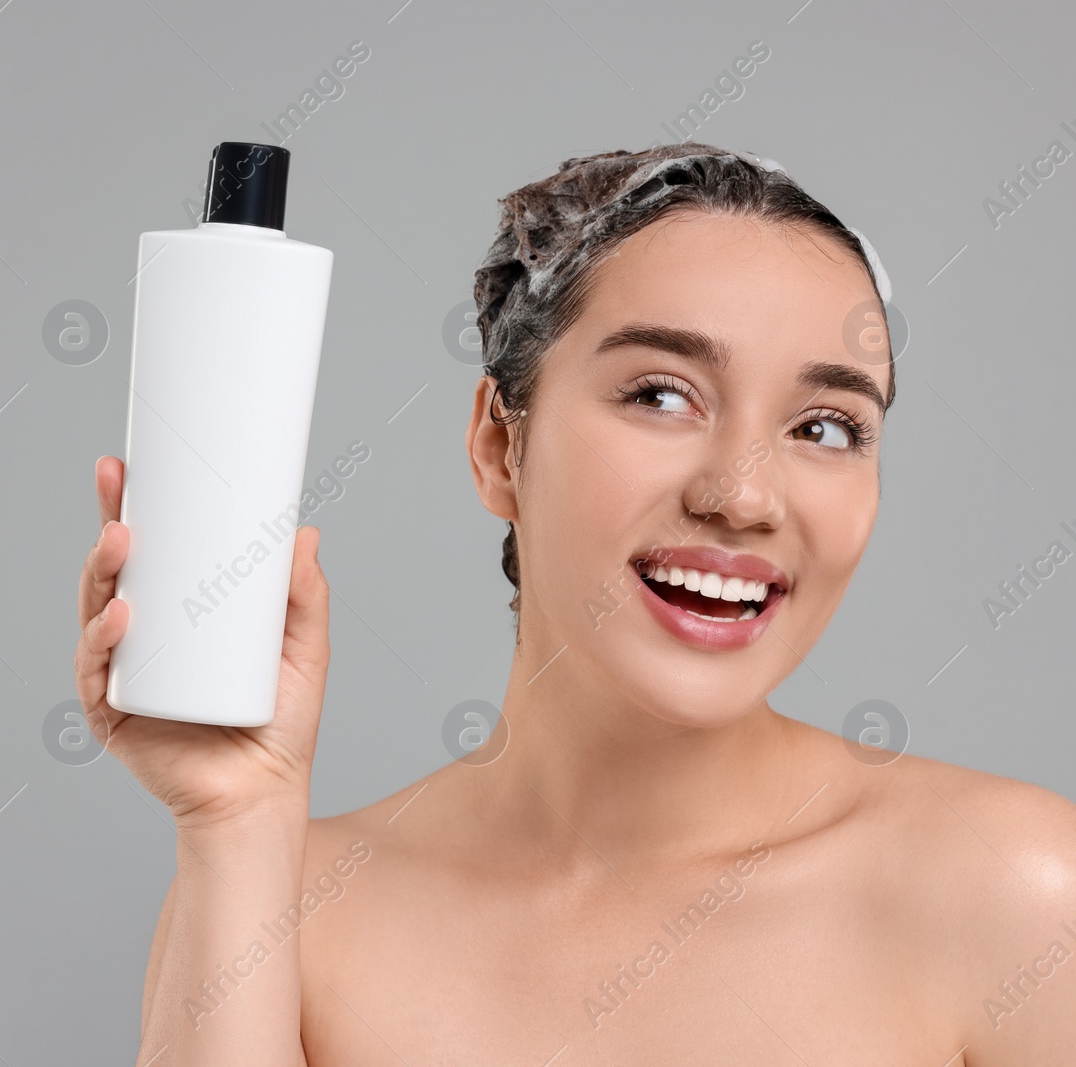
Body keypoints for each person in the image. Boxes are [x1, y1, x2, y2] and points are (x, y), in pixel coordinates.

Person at [73, 143, 1076, 1064]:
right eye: (660, 394)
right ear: (499, 445)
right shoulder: (289, 903)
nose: (742, 494)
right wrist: (234, 815)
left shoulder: (1019, 893)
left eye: (824, 425)